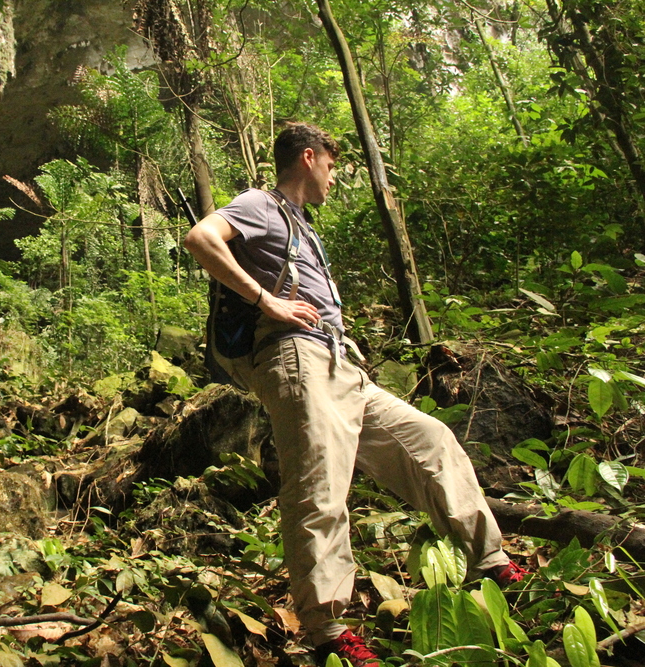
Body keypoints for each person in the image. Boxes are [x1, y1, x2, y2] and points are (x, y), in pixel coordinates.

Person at [183, 122, 526, 667]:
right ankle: (327, 631)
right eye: (333, 166)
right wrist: (265, 300)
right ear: (309, 157)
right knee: (319, 479)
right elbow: (199, 239)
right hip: (295, 357)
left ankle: (492, 562)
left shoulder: (301, 225)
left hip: (341, 366)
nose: (334, 177)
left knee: (431, 439)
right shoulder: (259, 204)